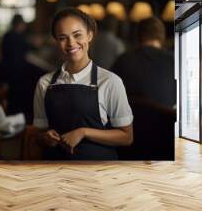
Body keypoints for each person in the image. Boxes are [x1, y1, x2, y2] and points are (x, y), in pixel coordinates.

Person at [33, 8, 134, 160]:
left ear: (90, 35)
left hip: (98, 172)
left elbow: (126, 137)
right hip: (55, 171)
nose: (71, 43)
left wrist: (83, 132)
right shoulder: (44, 83)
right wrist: (45, 138)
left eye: (77, 35)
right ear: (56, 42)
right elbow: (38, 135)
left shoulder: (110, 81)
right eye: (62, 38)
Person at [112, 17, 175, 160]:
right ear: (162, 37)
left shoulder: (123, 61)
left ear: (138, 36)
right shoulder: (175, 61)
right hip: (165, 140)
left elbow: (109, 102)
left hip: (130, 142)